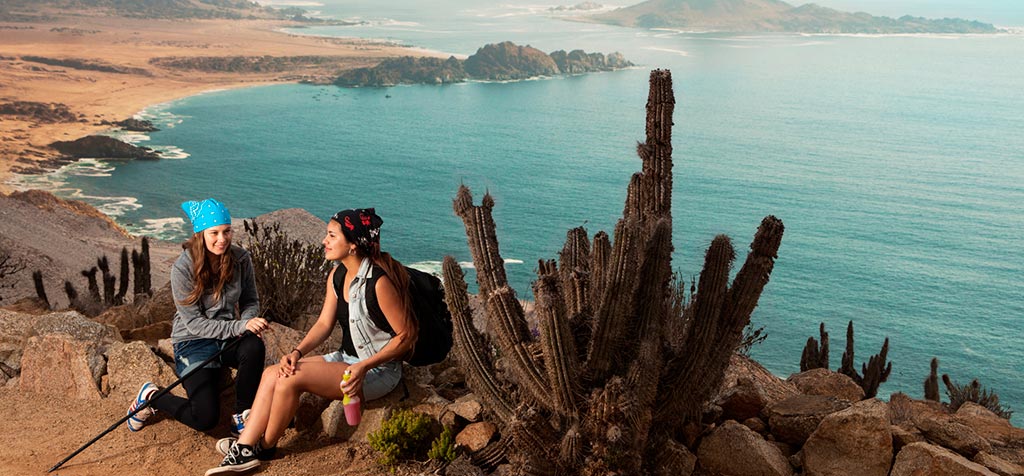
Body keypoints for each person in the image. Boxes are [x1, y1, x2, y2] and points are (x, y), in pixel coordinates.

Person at [205, 208, 417, 476]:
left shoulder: (378, 283)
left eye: (331, 235)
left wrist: (364, 368)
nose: (323, 241)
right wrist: (297, 351)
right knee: (274, 372)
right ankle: (248, 445)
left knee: (291, 379)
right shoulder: (338, 275)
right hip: (346, 360)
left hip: (376, 371)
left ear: (353, 245)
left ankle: (261, 447)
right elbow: (323, 324)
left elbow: (406, 336)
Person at [127, 198, 269, 436]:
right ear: (199, 234)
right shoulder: (182, 268)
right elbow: (194, 323)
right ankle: (152, 396)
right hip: (193, 342)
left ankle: (242, 415)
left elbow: (250, 301)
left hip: (227, 337)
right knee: (204, 418)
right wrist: (241, 325)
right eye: (214, 233)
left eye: (226, 231)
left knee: (253, 346)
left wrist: (248, 323)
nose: (222, 239)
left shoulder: (241, 259)